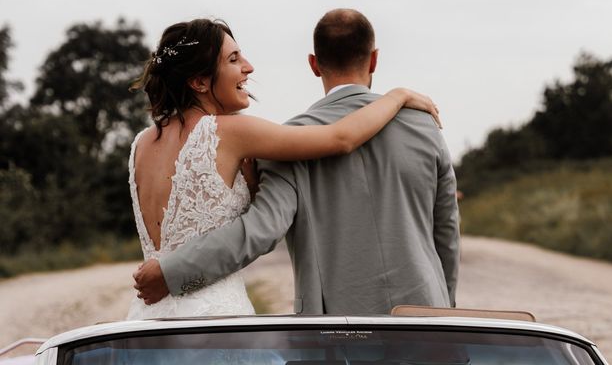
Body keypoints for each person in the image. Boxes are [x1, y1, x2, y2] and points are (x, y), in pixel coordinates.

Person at [126, 17, 439, 319]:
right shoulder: (228, 131)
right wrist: (398, 96)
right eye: (234, 59)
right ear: (199, 82)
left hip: (149, 314)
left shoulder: (141, 144)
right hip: (210, 316)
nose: (249, 67)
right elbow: (341, 138)